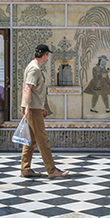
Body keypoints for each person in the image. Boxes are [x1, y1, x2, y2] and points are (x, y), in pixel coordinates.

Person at [20, 44, 69, 178]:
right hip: (32, 109)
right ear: (45, 55)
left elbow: (35, 91)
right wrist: (29, 109)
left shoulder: (34, 67)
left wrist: (42, 107)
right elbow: (28, 88)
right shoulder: (34, 69)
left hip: (35, 107)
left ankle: (25, 168)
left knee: (30, 139)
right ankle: (52, 170)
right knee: (42, 140)